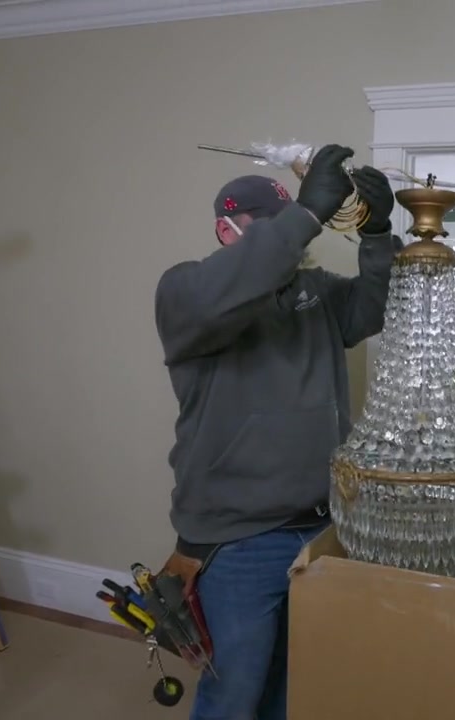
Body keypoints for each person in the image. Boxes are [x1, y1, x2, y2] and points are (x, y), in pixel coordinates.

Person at [152, 143, 401, 720]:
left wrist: (377, 234)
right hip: (237, 540)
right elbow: (240, 279)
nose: (292, 238)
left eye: (292, 222)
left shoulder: (316, 294)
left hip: (320, 527)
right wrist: (308, 213)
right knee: (234, 694)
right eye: (270, 226)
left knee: (292, 684)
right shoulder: (186, 293)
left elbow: (377, 305)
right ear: (226, 231)